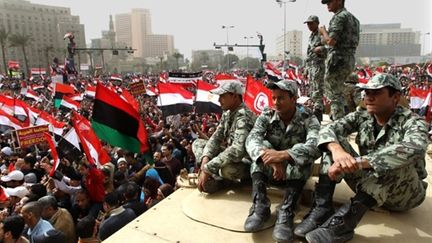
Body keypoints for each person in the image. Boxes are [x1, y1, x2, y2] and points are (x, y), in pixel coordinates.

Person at [295, 74, 428, 242]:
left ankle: (343, 225)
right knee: (334, 143)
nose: (368, 97)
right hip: (367, 186)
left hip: (404, 194)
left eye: (376, 93)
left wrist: (358, 163)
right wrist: (338, 151)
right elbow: (329, 130)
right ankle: (322, 208)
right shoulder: (363, 116)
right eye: (366, 93)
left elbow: (414, 148)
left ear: (395, 97)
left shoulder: (413, 121)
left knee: (393, 162)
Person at [243, 80, 321, 242]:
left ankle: (286, 211)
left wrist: (285, 155)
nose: (276, 103)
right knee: (261, 147)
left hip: (295, 174)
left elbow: (315, 146)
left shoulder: (309, 117)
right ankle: (260, 205)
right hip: (272, 169)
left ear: (293, 99)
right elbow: (251, 139)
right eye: (274, 98)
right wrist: (272, 160)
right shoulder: (267, 115)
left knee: (300, 151)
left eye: (281, 98)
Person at [193, 81, 256, 193]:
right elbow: (216, 138)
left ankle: (224, 180)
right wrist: (205, 160)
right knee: (198, 143)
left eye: (222, 96)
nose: (219, 100)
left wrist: (208, 168)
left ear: (235, 96)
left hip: (246, 162)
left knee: (227, 170)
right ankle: (216, 178)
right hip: (231, 157)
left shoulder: (244, 116)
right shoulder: (228, 113)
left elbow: (237, 150)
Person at [320, 0, 360, 120]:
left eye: (329, 2)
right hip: (349, 59)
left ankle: (338, 123)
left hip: (338, 60)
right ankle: (341, 118)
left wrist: (323, 31)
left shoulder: (339, 17)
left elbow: (331, 41)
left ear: (338, 1)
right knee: (339, 92)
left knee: (334, 93)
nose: (327, 4)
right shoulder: (354, 19)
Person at [304, 15, 327, 122]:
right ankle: (315, 110)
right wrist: (306, 69)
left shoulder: (321, 33)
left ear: (317, 23)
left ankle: (318, 112)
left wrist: (321, 49)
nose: (309, 25)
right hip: (311, 67)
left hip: (319, 65)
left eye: (311, 23)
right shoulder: (311, 36)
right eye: (308, 24)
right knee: (313, 89)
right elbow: (308, 53)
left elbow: (330, 47)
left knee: (318, 90)